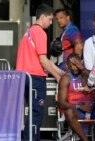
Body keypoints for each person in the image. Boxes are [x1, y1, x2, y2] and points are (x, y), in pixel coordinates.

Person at [16, 4, 63, 141]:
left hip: (24, 77)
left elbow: (42, 60)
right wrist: (58, 77)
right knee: (36, 113)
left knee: (32, 112)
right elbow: (43, 60)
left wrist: (60, 71)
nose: (51, 22)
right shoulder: (40, 33)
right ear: (42, 17)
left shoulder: (29, 32)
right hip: (35, 78)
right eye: (50, 19)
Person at [58, 53, 95, 141]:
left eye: (75, 64)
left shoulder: (88, 74)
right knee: (69, 112)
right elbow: (61, 103)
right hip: (77, 111)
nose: (73, 67)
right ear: (67, 65)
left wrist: (83, 68)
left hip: (93, 110)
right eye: (70, 65)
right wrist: (80, 106)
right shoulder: (66, 78)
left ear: (80, 63)